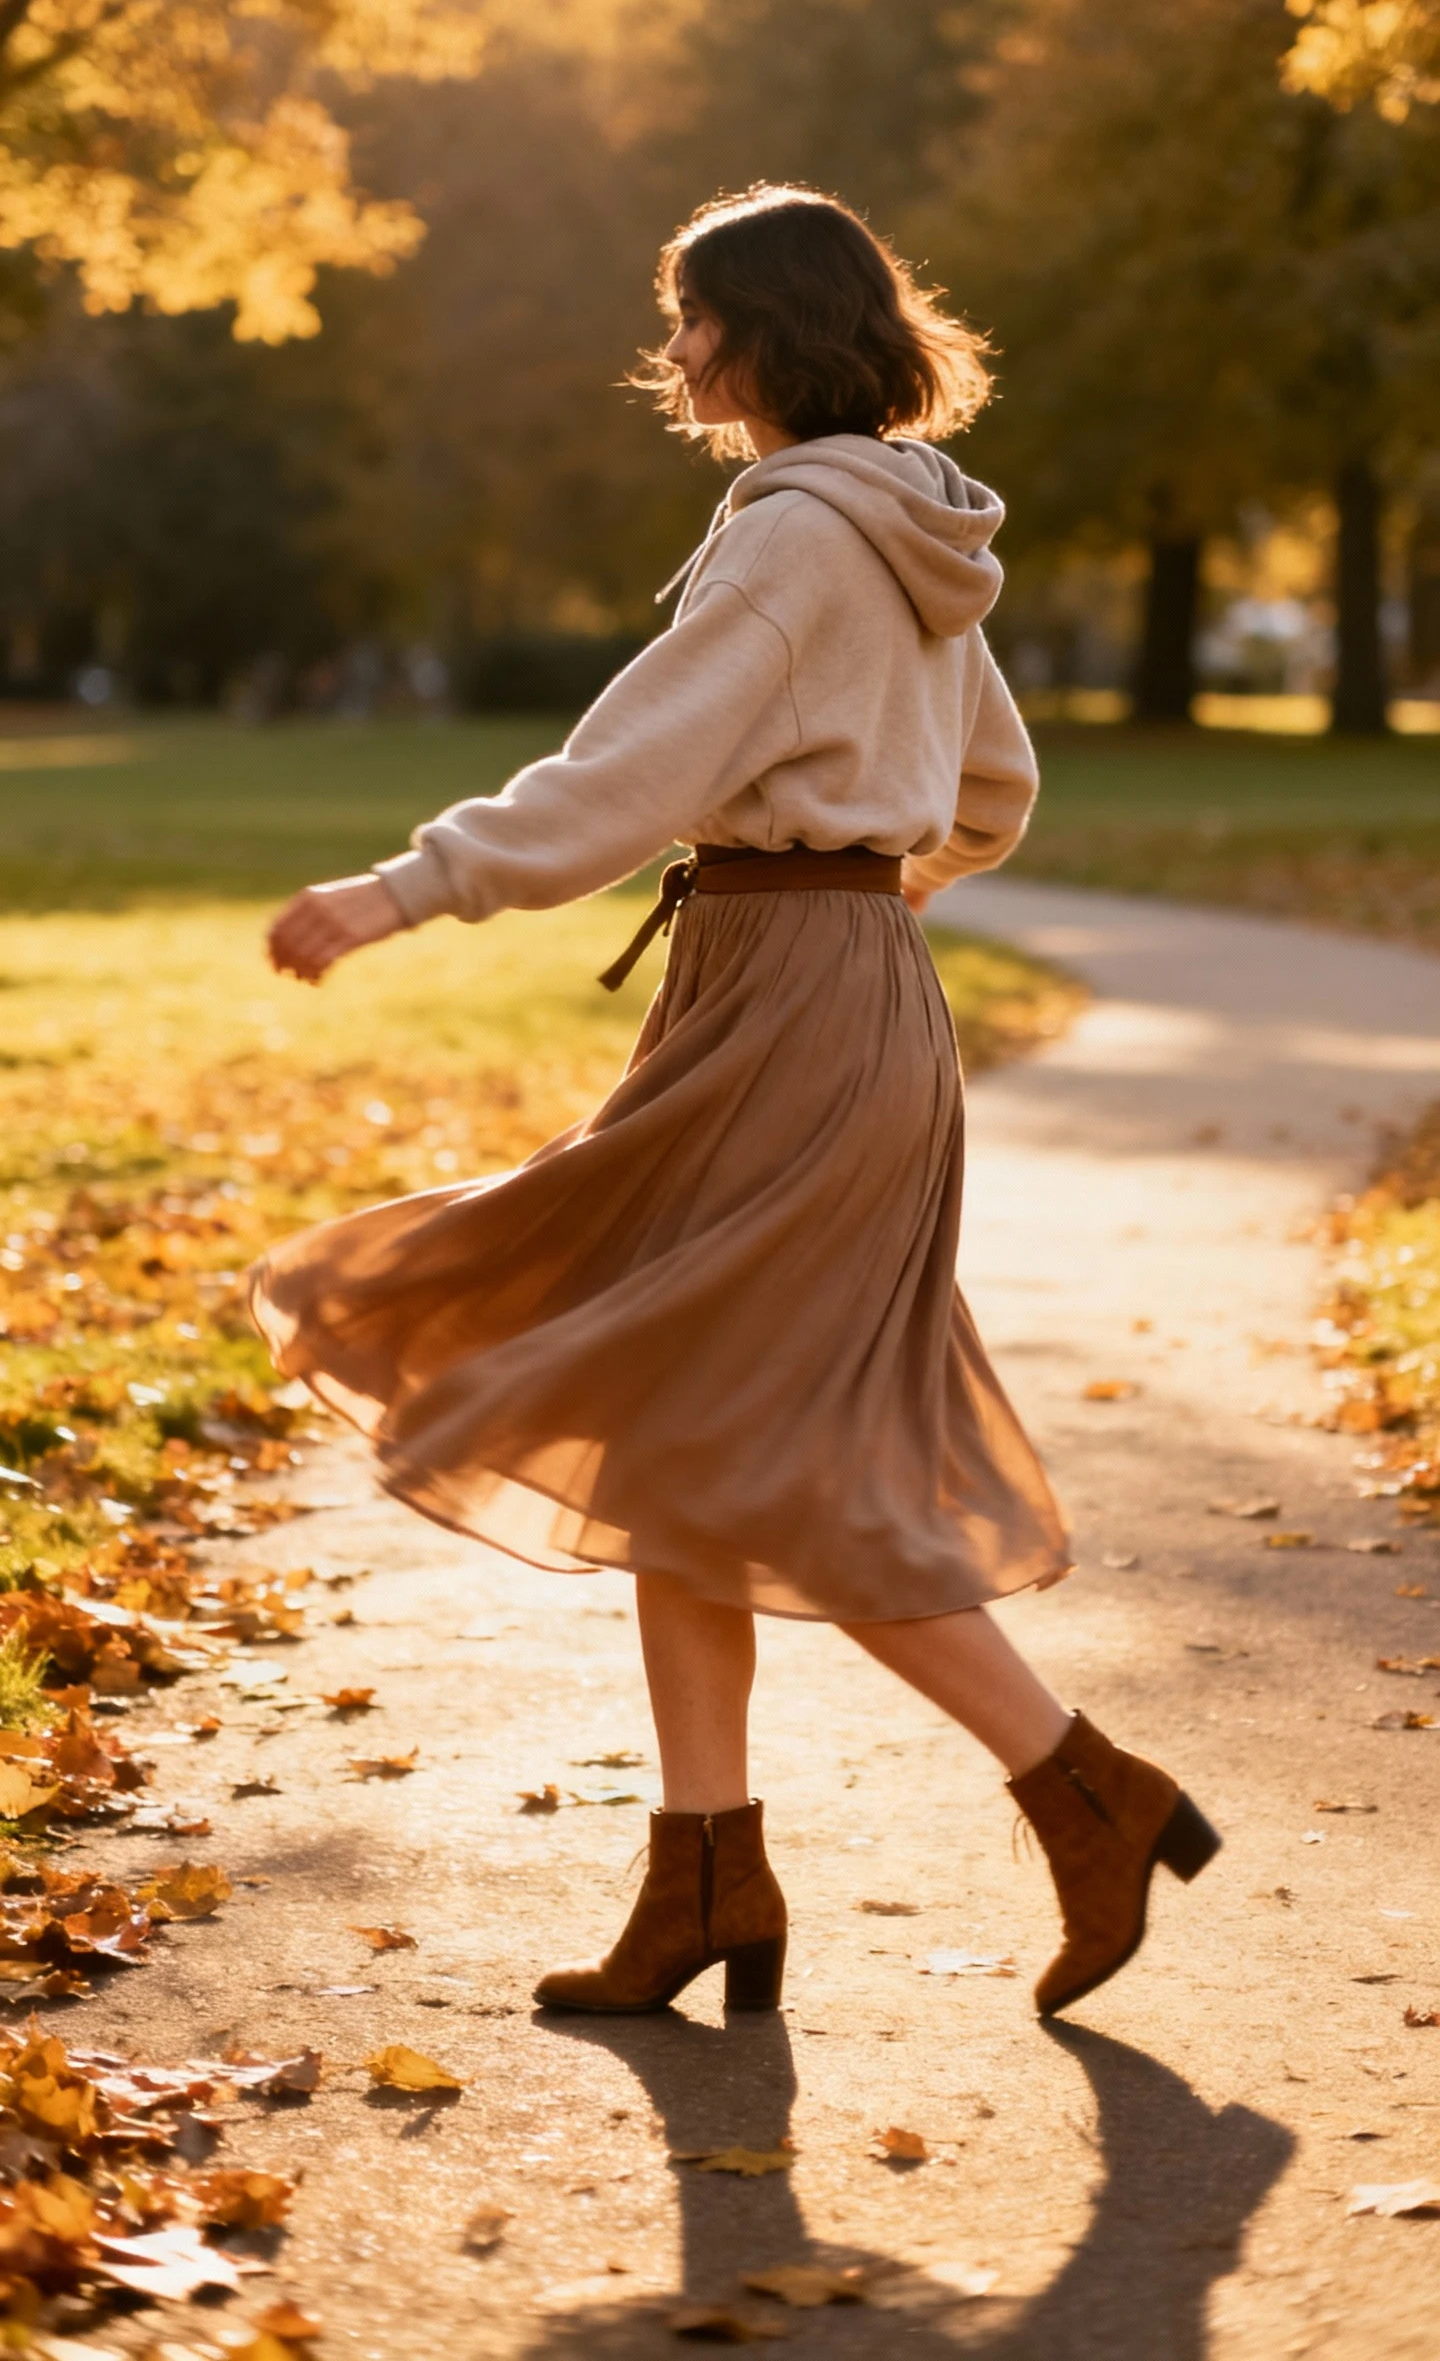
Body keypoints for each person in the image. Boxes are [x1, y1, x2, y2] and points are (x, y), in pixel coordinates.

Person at [252, 184, 1218, 2025]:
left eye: (699, 316)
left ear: (771, 327)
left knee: (777, 1458)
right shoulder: (911, 529)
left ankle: (1085, 1789)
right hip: (835, 1001)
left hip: (786, 1014)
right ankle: (707, 1874)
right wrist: (865, 908)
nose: (678, 349)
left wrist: (404, 889)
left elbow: (627, 771)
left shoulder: (793, 534)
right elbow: (992, 788)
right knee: (680, 1436)